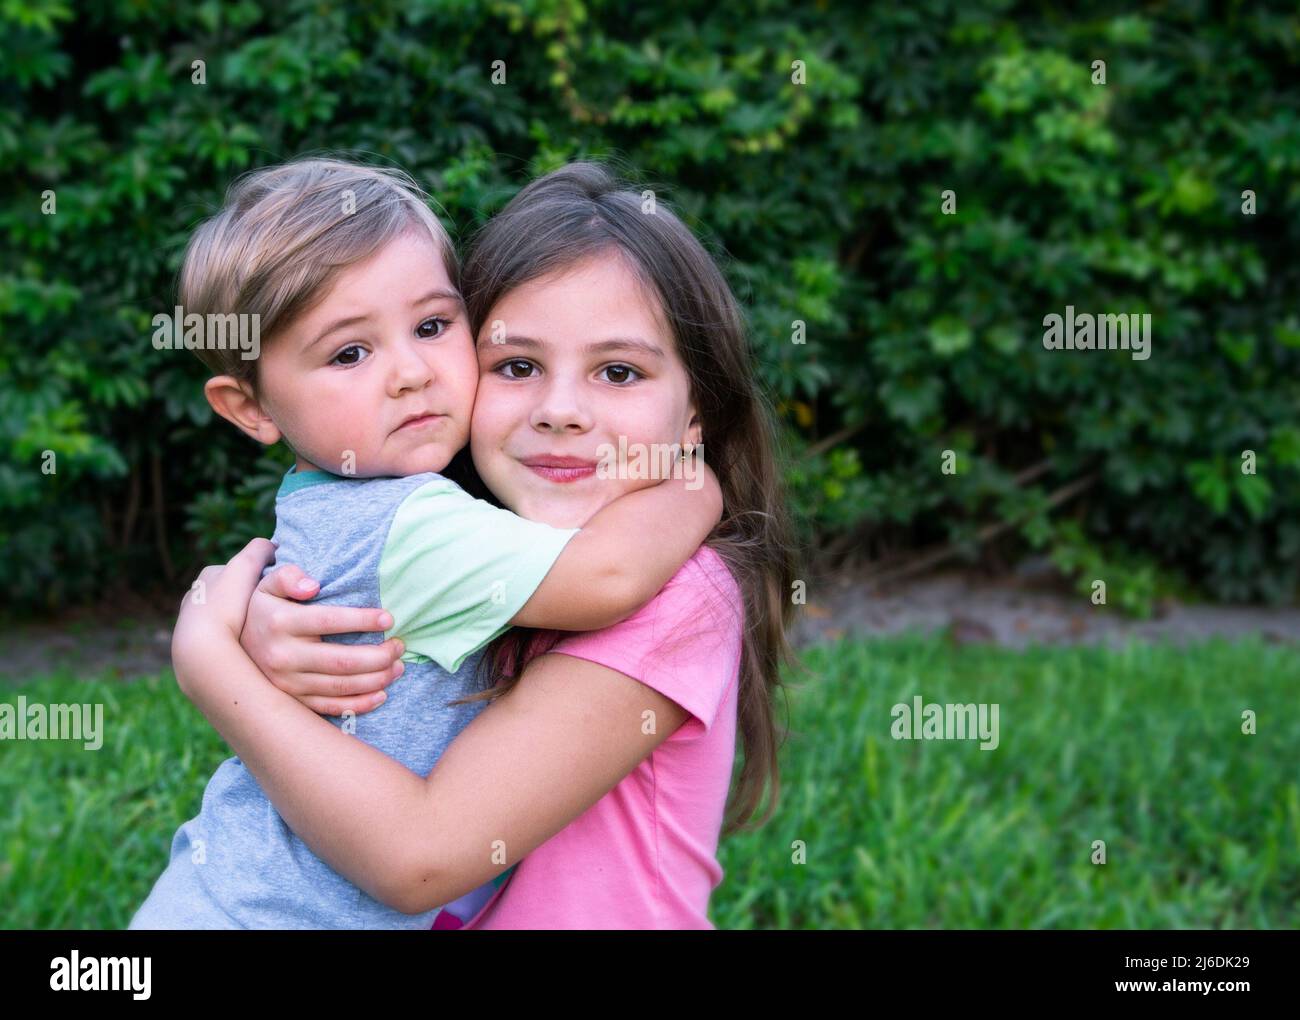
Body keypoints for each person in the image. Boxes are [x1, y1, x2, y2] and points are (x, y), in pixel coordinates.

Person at [168, 161, 797, 928]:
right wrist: (265, 629)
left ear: (697, 411)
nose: (561, 410)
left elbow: (419, 855)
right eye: (518, 365)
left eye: (620, 371)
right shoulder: (474, 541)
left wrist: (214, 665)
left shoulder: (676, 596)